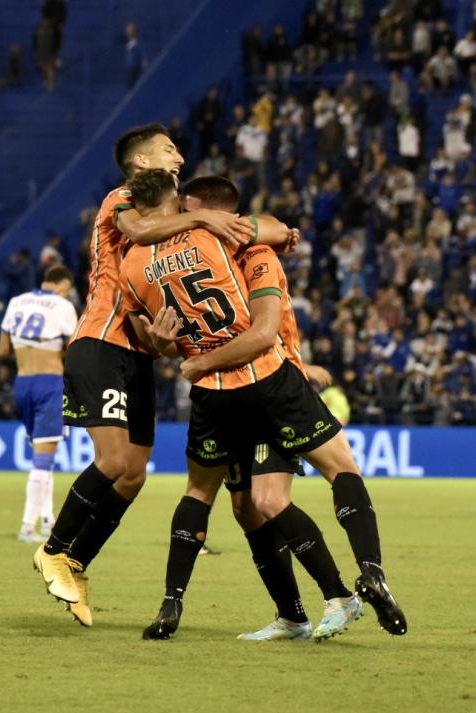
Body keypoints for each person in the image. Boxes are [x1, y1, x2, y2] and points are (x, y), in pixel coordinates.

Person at [123, 171, 406, 642]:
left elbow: (155, 341)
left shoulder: (133, 262)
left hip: (216, 390)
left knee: (248, 500)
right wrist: (284, 232)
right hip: (264, 380)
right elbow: (261, 329)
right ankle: (356, 580)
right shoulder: (233, 243)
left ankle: (188, 603)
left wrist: (181, 356)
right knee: (311, 480)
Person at [31, 122, 292, 628]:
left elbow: (156, 324)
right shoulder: (120, 200)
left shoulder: (171, 222)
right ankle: (55, 547)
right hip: (101, 342)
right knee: (112, 460)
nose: (179, 157)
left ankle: (77, 564)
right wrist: (207, 221)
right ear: (142, 161)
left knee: (134, 473)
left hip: (136, 355)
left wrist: (162, 339)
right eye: (169, 150)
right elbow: (138, 231)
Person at [0, 265, 77, 543]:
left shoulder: (16, 301)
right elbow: (74, 348)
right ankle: (27, 526)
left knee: (45, 455)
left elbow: (3, 350)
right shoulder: (63, 306)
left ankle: (48, 520)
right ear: (62, 286)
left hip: (22, 384)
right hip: (49, 384)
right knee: (43, 460)